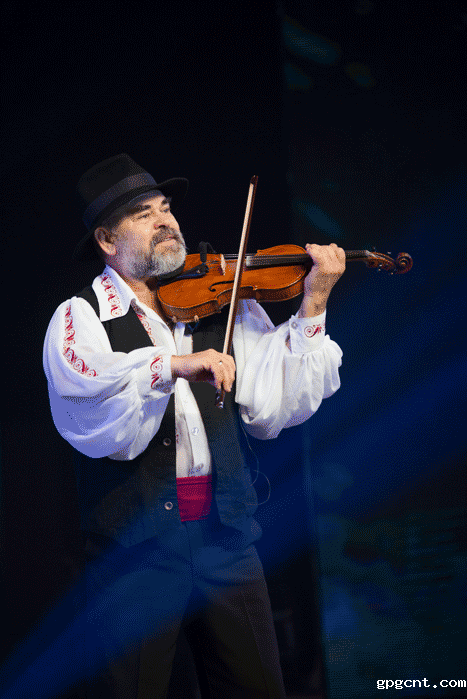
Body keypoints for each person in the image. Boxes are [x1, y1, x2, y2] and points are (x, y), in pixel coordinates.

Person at [43, 153, 345, 699]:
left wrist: (315, 301)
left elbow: (273, 405)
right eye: (143, 214)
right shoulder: (81, 316)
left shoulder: (222, 299)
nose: (165, 220)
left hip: (226, 537)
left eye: (165, 208)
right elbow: (88, 389)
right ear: (107, 240)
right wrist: (171, 365)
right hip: (136, 550)